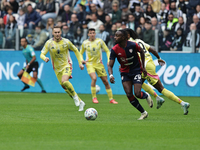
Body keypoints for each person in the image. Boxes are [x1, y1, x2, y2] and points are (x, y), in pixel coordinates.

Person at [125, 28, 190, 115]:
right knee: (138, 82)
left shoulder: (129, 44)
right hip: (150, 63)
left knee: (161, 89)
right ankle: (157, 98)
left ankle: (182, 103)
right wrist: (159, 58)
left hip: (145, 66)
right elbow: (152, 50)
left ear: (127, 35)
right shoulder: (139, 41)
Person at [108, 29, 153, 120]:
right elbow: (110, 65)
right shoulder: (114, 49)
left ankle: (146, 95)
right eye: (115, 35)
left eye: (117, 36)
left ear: (124, 37)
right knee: (129, 94)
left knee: (137, 93)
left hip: (136, 70)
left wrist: (143, 67)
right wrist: (111, 75)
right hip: (125, 72)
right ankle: (143, 113)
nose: (115, 37)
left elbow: (142, 52)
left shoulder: (133, 45)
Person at [40, 26, 85, 111]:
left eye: (58, 32)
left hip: (67, 65)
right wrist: (45, 58)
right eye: (55, 32)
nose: (57, 34)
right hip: (57, 69)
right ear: (52, 33)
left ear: (61, 32)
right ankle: (81, 102)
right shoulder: (49, 43)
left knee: (65, 81)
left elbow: (76, 50)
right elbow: (42, 54)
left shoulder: (66, 42)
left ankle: (75, 97)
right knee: (65, 87)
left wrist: (80, 63)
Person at [80, 28, 118, 104]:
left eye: (93, 33)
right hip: (90, 64)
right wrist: (81, 61)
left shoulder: (100, 41)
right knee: (94, 78)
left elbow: (107, 50)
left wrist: (108, 60)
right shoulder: (85, 43)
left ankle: (111, 99)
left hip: (99, 64)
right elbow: (80, 53)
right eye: (90, 33)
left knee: (106, 81)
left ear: (95, 34)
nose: (92, 34)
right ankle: (94, 97)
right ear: (88, 34)